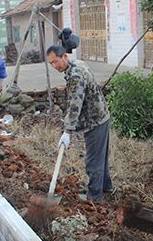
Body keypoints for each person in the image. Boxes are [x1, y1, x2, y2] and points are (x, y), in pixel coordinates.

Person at [46, 44, 113, 203]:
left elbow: (75, 105)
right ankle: (106, 188)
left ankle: (94, 197)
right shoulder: (77, 64)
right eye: (51, 63)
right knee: (101, 158)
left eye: (55, 62)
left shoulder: (76, 76)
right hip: (101, 116)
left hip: (95, 121)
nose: (54, 66)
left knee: (93, 161)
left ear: (64, 57)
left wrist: (67, 131)